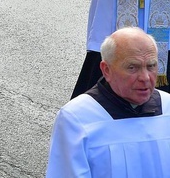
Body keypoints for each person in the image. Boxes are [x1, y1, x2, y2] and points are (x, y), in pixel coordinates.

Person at [46, 27, 170, 178]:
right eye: (132, 67)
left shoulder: (167, 106)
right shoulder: (76, 118)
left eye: (151, 66)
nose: (145, 77)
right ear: (106, 70)